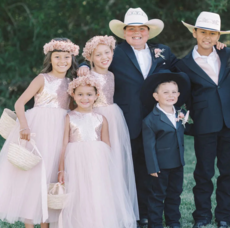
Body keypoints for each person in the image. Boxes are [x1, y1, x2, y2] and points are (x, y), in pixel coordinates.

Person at [78, 8, 178, 227]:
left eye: (141, 29)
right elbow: (96, 62)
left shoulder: (163, 52)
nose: (136, 32)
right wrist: (84, 66)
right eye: (131, 29)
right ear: (124, 33)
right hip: (126, 120)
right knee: (132, 168)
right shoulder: (116, 53)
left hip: (156, 120)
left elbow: (181, 70)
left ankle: (158, 212)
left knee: (157, 168)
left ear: (148, 32)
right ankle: (138, 213)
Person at [0, 38, 79, 228]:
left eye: (66, 57)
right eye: (57, 57)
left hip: (60, 130)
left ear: (72, 59)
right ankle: (29, 223)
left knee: (52, 176)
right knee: (34, 177)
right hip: (39, 129)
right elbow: (19, 103)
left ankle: (46, 222)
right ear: (50, 59)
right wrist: (24, 126)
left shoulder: (71, 82)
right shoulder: (42, 79)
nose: (62, 61)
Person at [175, 12, 230, 228]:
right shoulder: (184, 64)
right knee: (204, 172)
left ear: (218, 36)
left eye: (213, 33)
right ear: (194, 33)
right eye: (203, 32)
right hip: (204, 123)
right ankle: (202, 215)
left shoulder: (227, 53)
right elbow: (181, 96)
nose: (208, 37)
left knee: (229, 171)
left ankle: (224, 216)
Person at [57, 75, 136, 228]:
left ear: (96, 96)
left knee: (96, 192)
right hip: (76, 161)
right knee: (79, 192)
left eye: (89, 94)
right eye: (80, 94)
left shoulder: (101, 118)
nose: (84, 98)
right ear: (73, 95)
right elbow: (64, 144)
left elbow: (107, 144)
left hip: (97, 161)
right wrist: (61, 169)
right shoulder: (69, 117)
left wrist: (108, 167)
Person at [80, 35, 138, 218]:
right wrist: (82, 66)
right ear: (90, 58)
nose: (105, 57)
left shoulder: (112, 74)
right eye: (99, 55)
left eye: (107, 52)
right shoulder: (86, 75)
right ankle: (94, 209)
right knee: (96, 163)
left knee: (115, 161)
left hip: (113, 118)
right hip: (93, 118)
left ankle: (114, 209)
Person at [140, 71, 191, 228]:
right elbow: (149, 146)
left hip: (177, 163)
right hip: (160, 167)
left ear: (179, 94)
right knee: (157, 196)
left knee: (174, 194)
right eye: (166, 92)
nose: (171, 95)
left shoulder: (180, 113)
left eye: (174, 92)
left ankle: (173, 221)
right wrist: (153, 167)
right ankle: (155, 223)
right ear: (156, 96)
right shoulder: (151, 120)